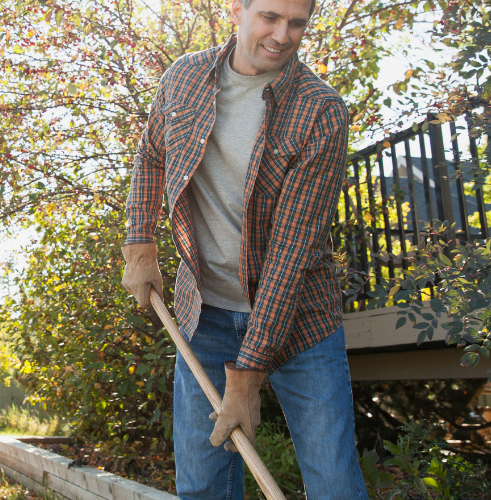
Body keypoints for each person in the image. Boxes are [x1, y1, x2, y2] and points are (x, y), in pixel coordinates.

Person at [121, 0, 367, 497]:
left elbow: (289, 258)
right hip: (204, 314)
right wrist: (140, 244)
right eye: (270, 18)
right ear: (237, 9)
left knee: (334, 483)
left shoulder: (320, 112)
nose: (283, 35)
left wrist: (248, 375)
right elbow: (151, 156)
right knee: (201, 486)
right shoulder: (185, 78)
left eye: (297, 23)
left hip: (300, 318)